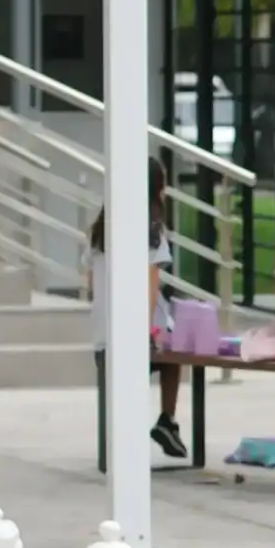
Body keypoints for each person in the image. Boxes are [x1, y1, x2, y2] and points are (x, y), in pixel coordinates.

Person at [89, 156, 186, 459]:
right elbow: (149, 285)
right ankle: (167, 420)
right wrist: (144, 332)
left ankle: (124, 434)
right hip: (136, 338)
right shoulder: (153, 231)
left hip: (103, 338)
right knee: (173, 358)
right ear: (156, 189)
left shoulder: (100, 230)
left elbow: (90, 280)